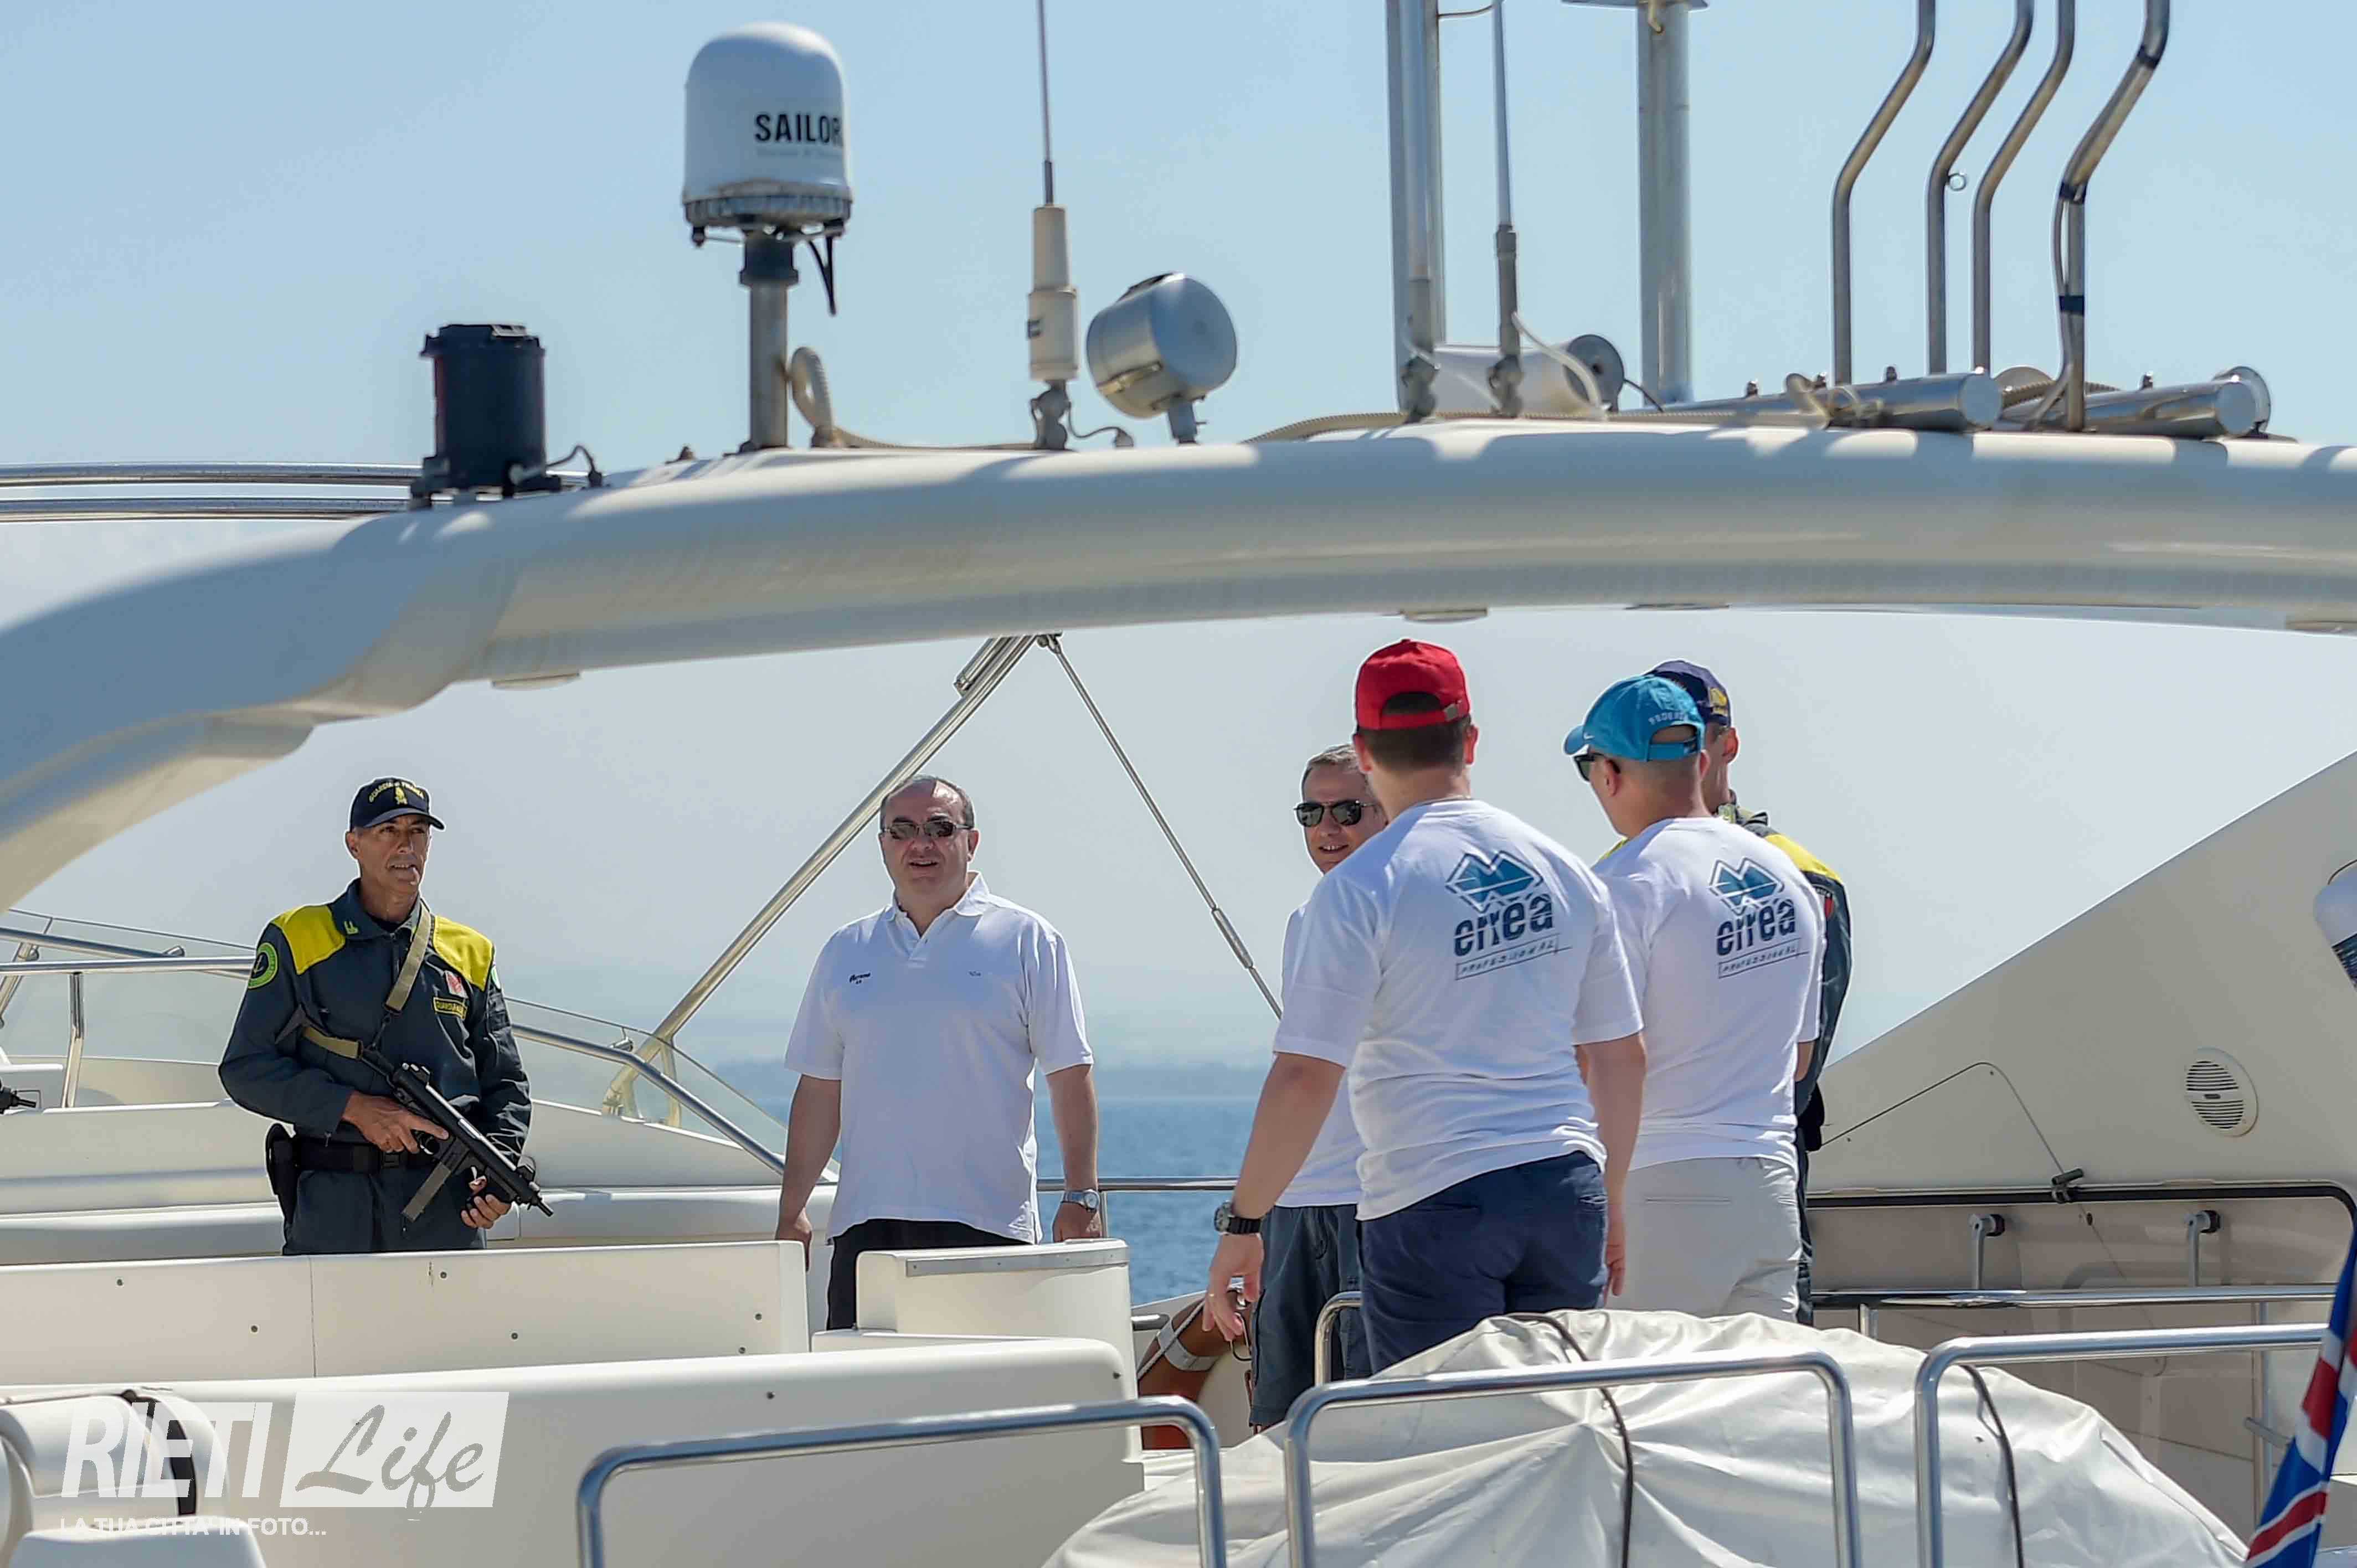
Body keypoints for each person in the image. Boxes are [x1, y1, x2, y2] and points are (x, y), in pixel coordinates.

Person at [1205, 641, 1647, 1371]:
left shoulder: (1357, 890)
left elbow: (1305, 1078)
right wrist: (1614, 1200)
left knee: (1439, 1426)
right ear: (1469, 739)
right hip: (1563, 1188)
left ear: (1364, 752)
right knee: (1559, 1415)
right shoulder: (1564, 871)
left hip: (1433, 1202)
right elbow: (1620, 1056)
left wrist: (1245, 1224)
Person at [773, 776, 1105, 1332]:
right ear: (883, 845)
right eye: (902, 831)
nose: (920, 845)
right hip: (866, 1228)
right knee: (866, 1383)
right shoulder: (845, 950)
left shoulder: (1028, 940)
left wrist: (1082, 1197)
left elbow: (1069, 1074)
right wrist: (792, 1211)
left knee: (982, 1385)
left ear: (970, 842)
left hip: (988, 1224)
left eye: (939, 829)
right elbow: (820, 1090)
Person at [1570, 674, 1822, 1319]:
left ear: (1609, 774)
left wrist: (1604, 1197)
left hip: (1657, 1184)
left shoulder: (1622, 885)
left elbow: (1600, 1059)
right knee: (1755, 1382)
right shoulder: (1787, 877)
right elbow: (1798, 1058)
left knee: (1637, 1380)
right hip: (1769, 1185)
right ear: (1701, 763)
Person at [220, 777, 530, 1255]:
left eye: (418, 832)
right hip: (335, 1207)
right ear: (354, 844)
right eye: (389, 831)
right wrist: (352, 1107)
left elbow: (505, 1083)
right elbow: (245, 1069)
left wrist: (498, 1175)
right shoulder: (297, 937)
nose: (407, 846)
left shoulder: (471, 952)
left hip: (445, 1213)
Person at [1648, 659, 1854, 1323]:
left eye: (1689, 738)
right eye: (1655, 740)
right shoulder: (1623, 874)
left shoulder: (1799, 874)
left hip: (1746, 1166)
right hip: (1663, 1178)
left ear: (1726, 744)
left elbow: (1800, 1060)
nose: (1675, 758)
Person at [1247, 744, 1388, 1430]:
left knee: (1366, 1414)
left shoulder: (1404, 909)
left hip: (1374, 1200)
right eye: (1312, 813)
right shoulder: (1305, 921)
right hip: (1295, 1201)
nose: (1327, 829)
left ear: (1387, 810)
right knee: (1279, 1418)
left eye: (1347, 811)